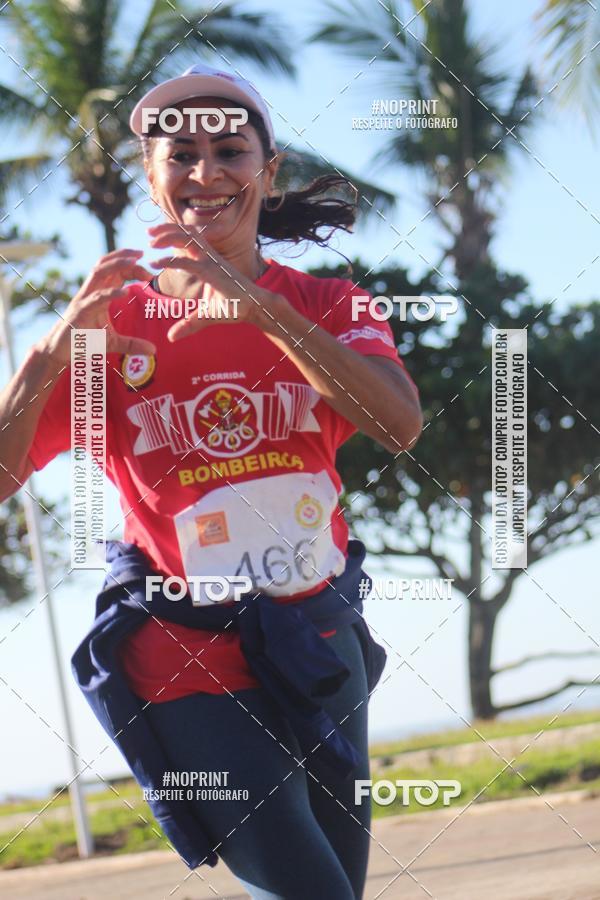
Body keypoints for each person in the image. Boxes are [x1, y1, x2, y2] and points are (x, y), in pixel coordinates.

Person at [0, 63, 422, 899]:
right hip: (184, 654)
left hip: (320, 642)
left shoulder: (333, 305)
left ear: (268, 169)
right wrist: (47, 357)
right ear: (150, 175)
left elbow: (398, 425)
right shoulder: (109, 330)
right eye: (181, 154)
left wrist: (264, 311)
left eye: (230, 150)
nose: (206, 172)